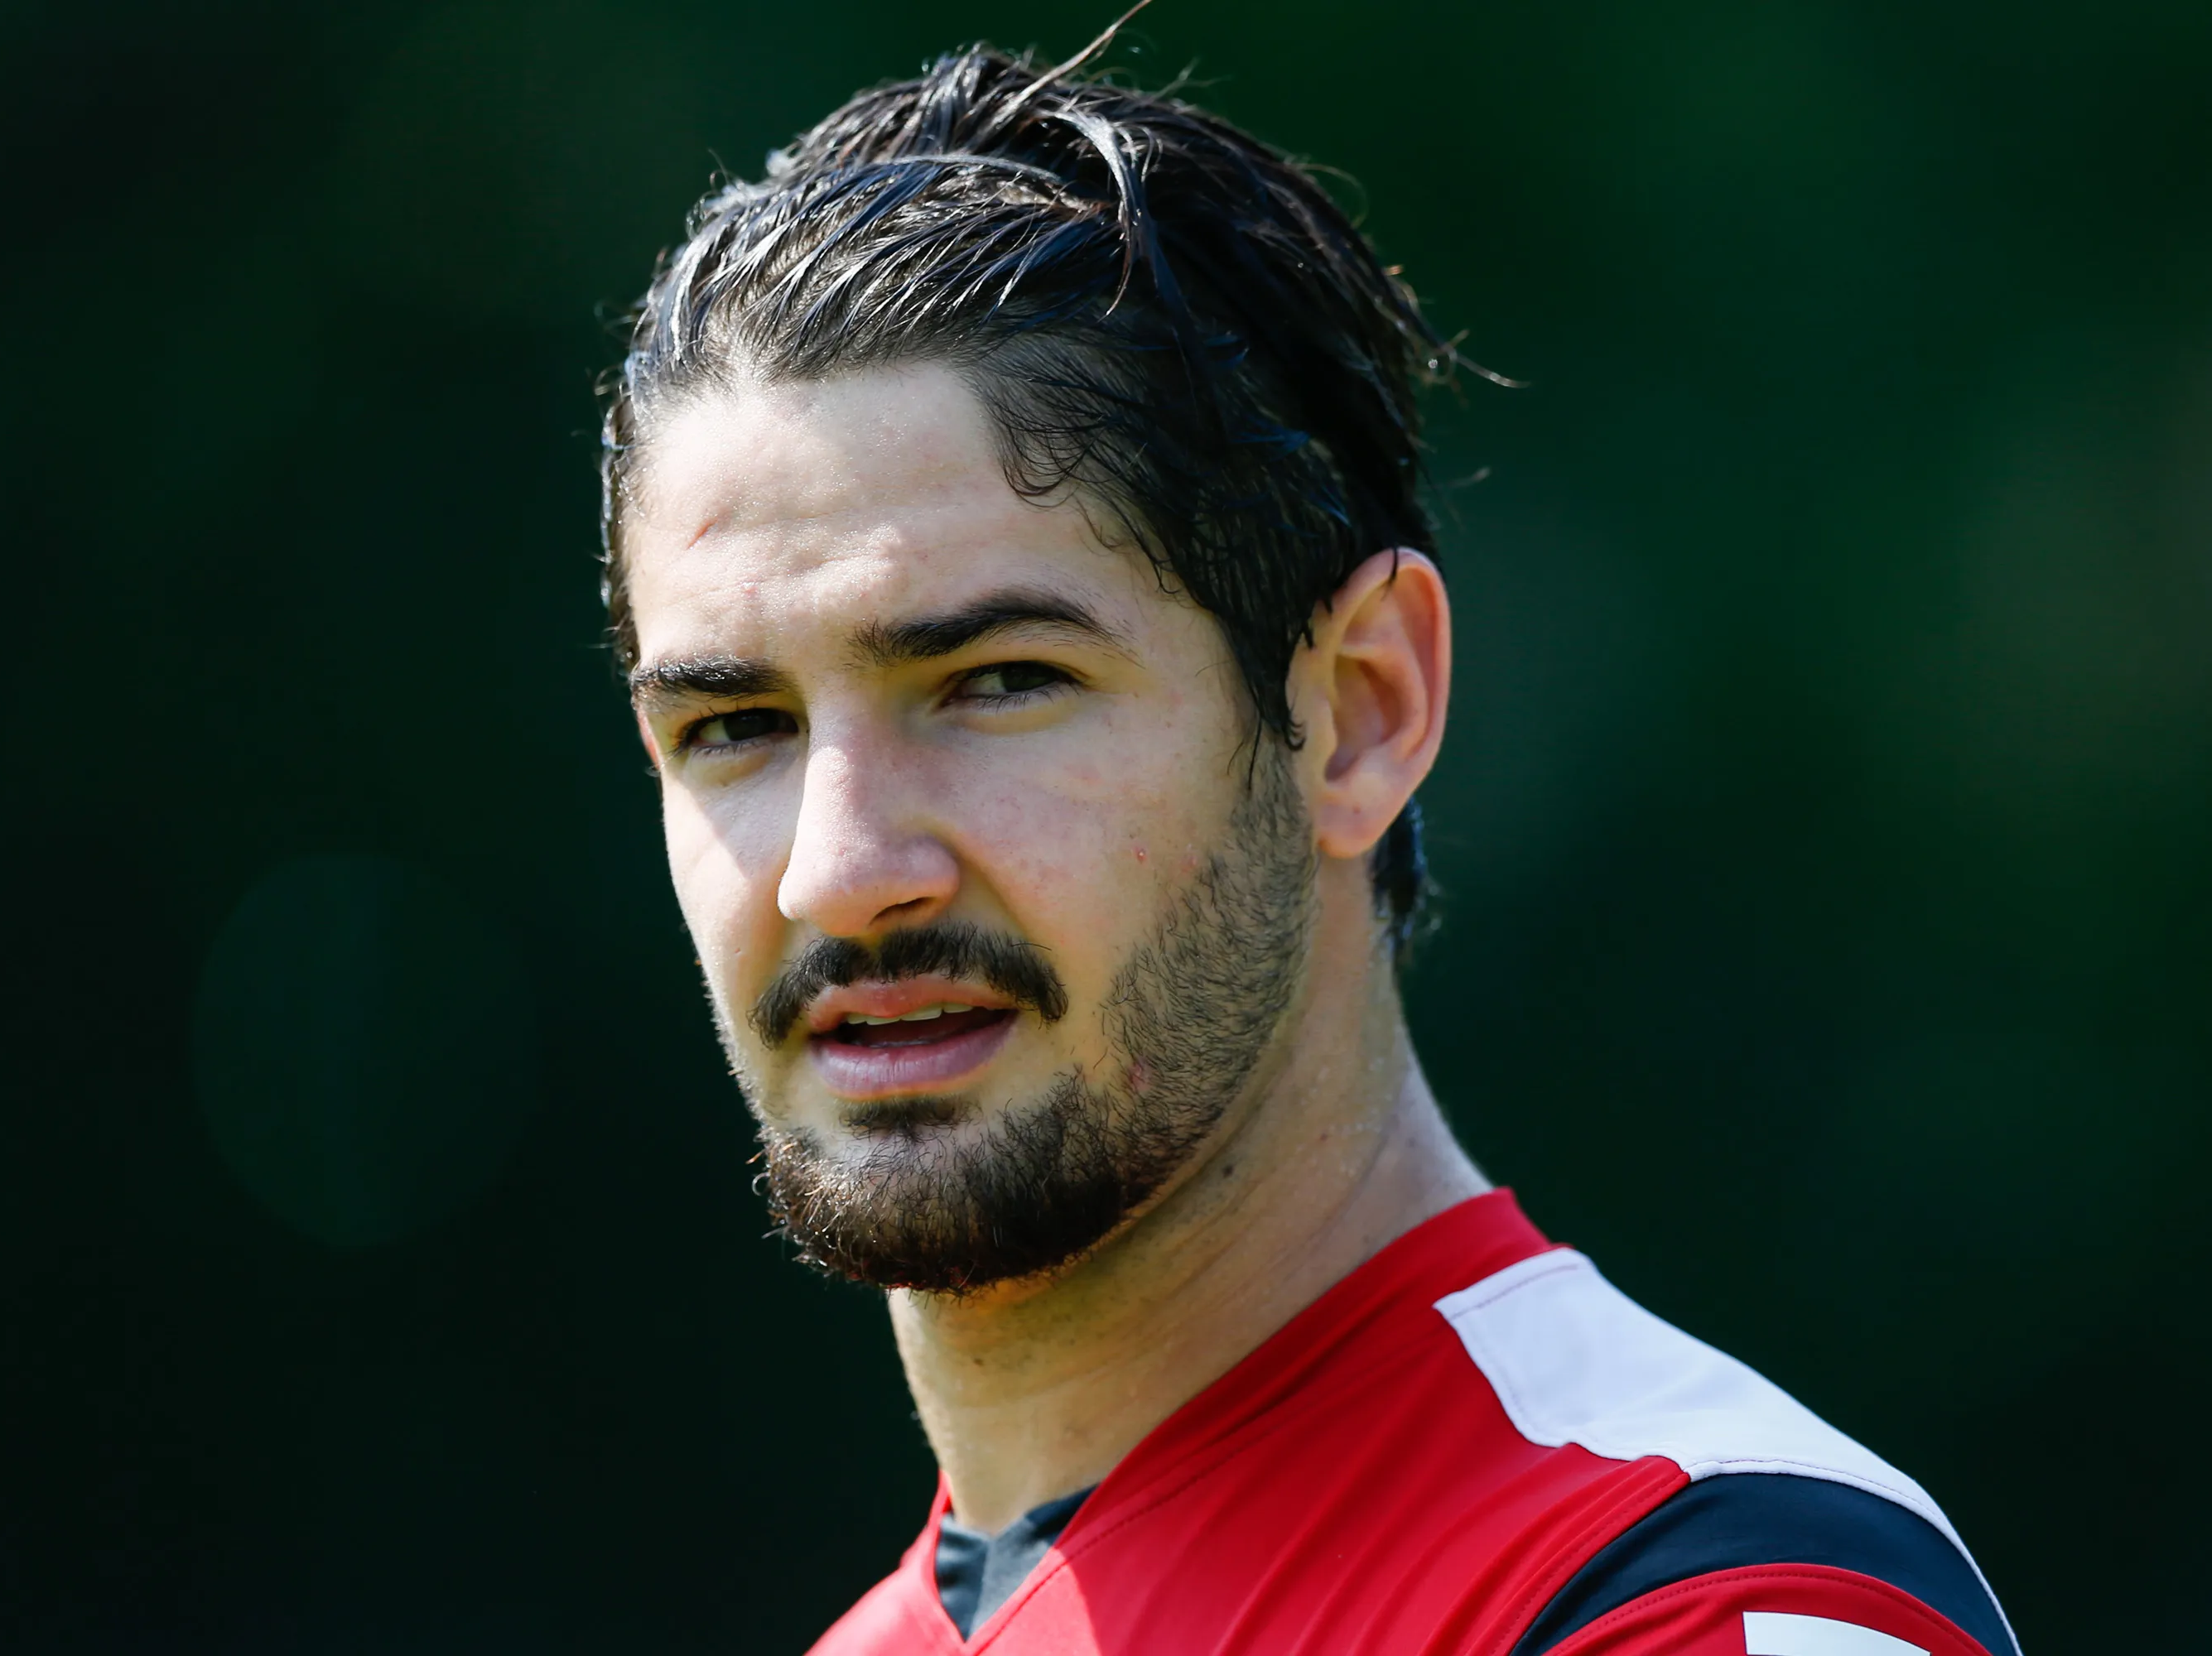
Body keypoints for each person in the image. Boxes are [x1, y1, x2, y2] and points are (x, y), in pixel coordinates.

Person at [596, 33, 2019, 1656]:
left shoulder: (1706, 1593)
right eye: (738, 727)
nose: (840, 870)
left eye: (996, 682)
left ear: (1357, 711)